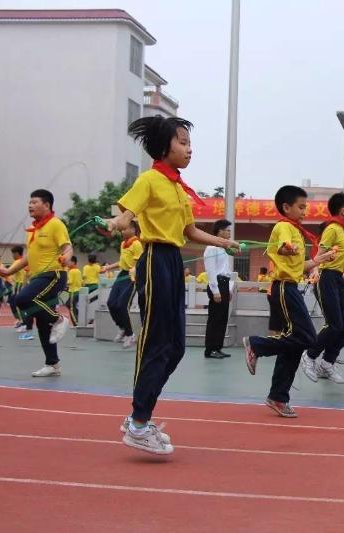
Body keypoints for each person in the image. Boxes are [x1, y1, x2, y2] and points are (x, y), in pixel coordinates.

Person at [107, 115, 240, 454]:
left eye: (190, 143)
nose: (189, 149)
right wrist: (120, 220)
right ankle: (138, 422)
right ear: (164, 146)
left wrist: (226, 243)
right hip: (152, 259)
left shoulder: (177, 187)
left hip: (172, 263)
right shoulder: (150, 179)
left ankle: (140, 414)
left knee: (177, 347)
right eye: (182, 142)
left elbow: (190, 232)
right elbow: (126, 212)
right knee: (155, 343)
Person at [242, 185, 335, 417]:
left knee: (295, 341)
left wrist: (319, 259)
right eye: (301, 207)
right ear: (286, 207)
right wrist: (287, 247)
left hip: (291, 285)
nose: (305, 211)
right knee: (307, 337)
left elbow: (299, 266)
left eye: (306, 207)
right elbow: (284, 248)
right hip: (284, 288)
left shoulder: (295, 230)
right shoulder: (284, 227)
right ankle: (256, 345)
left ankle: (278, 396)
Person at [0, 189, 73, 375]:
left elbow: (68, 246)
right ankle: (52, 364)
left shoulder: (56, 225)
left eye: (34, 202)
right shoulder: (34, 230)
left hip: (53, 275)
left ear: (46, 205)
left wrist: (66, 258)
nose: (30, 205)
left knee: (22, 299)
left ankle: (60, 319)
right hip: (39, 276)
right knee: (41, 321)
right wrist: (8, 270)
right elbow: (28, 258)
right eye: (29, 202)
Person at [302, 193, 344, 384]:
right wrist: (315, 270)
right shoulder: (333, 228)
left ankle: (327, 362)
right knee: (335, 324)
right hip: (326, 278)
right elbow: (319, 254)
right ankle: (310, 357)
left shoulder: (340, 230)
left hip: (336, 279)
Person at [102, 220, 143, 349]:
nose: (122, 231)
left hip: (131, 277)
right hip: (122, 275)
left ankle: (130, 334)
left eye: (125, 229)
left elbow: (139, 262)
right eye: (121, 229)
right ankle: (123, 327)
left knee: (122, 305)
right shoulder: (123, 244)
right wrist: (108, 268)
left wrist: (135, 271)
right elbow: (121, 262)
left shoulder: (136, 244)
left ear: (133, 230)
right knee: (111, 303)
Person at [203, 219, 234, 359]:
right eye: (227, 230)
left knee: (222, 318)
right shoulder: (212, 248)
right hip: (217, 284)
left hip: (224, 284)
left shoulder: (223, 248)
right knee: (215, 318)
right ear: (219, 231)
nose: (229, 232)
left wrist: (229, 288)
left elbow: (225, 270)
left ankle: (218, 347)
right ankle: (210, 349)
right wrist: (215, 290)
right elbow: (211, 271)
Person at [66, 256, 82, 329]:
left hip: (73, 291)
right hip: (78, 291)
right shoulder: (78, 271)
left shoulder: (71, 271)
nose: (67, 263)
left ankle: (76, 324)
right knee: (69, 304)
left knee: (72, 308)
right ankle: (78, 319)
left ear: (73, 262)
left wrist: (64, 283)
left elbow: (70, 281)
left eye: (69, 261)